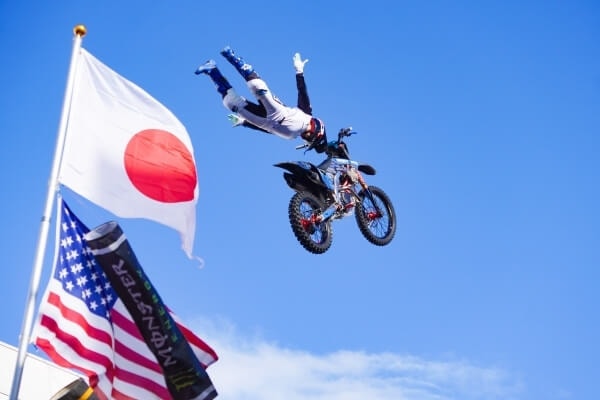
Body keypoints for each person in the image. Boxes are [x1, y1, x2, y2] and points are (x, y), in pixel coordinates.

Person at [194, 46, 328, 152]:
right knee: (256, 86)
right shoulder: (307, 114)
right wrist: (299, 71)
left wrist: (244, 123)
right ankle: (231, 56)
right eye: (311, 140)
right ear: (318, 132)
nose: (306, 140)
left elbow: (265, 130)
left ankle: (212, 70)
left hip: (265, 122)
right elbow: (302, 92)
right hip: (278, 111)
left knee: (230, 102)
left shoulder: (292, 136)